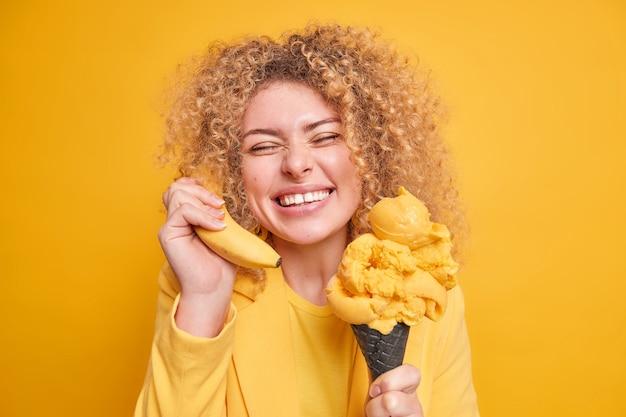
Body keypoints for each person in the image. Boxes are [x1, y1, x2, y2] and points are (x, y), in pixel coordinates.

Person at [135, 23, 479, 417]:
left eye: (326, 137)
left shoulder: (430, 295)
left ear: (371, 152)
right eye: (263, 146)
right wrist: (205, 297)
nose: (296, 164)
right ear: (234, 170)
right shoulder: (201, 286)